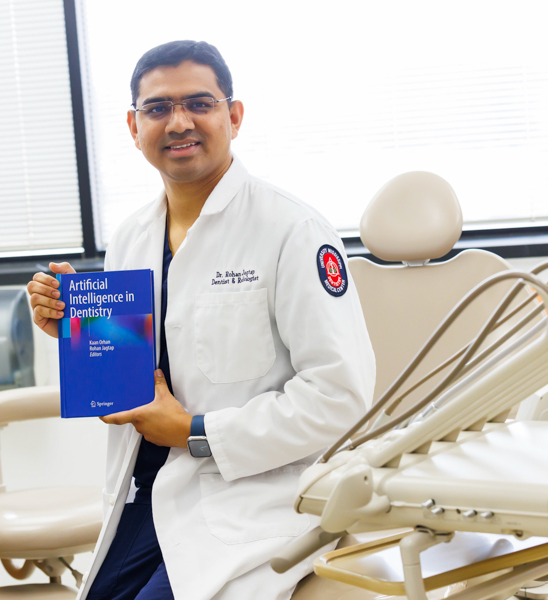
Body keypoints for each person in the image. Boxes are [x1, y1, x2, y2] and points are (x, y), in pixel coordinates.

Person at [27, 40, 375, 600]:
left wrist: (194, 432)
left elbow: (339, 395)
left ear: (233, 117)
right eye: (158, 108)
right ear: (133, 125)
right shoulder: (131, 238)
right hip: (145, 496)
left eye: (200, 103)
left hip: (250, 500)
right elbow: (130, 395)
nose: (179, 122)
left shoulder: (292, 231)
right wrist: (79, 335)